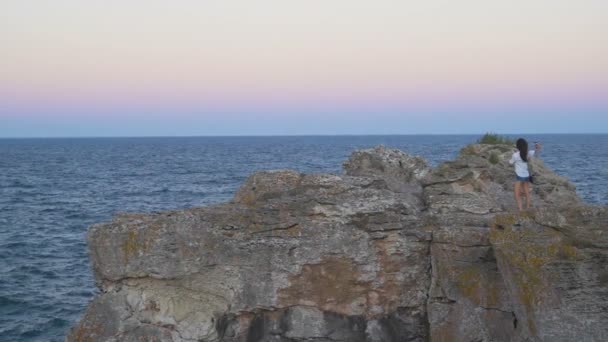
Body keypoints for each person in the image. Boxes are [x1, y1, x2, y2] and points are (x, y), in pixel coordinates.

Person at [509, 138, 541, 211]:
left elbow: (510, 162)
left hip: (519, 176)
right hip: (526, 175)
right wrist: (538, 147)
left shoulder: (515, 155)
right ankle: (528, 208)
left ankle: (520, 210)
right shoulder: (528, 153)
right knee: (527, 193)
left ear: (518, 146)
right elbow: (536, 152)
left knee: (517, 194)